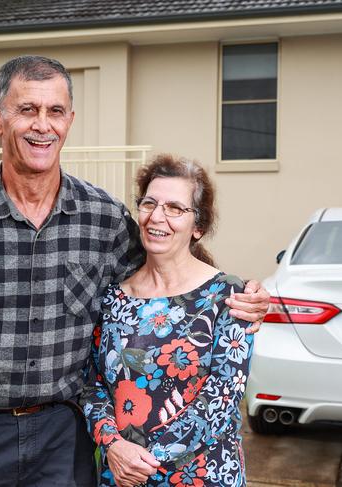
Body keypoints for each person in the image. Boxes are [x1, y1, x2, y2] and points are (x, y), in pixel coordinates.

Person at [0, 56, 270, 487]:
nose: (42, 125)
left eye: (55, 111)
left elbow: (165, 272)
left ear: (70, 120)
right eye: (27, 109)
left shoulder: (104, 219)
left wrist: (237, 294)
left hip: (62, 437)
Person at [80, 154, 253, 487]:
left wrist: (145, 459)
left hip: (203, 475)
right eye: (149, 203)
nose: (157, 217)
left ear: (198, 227)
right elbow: (93, 385)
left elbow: (223, 395)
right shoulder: (115, 297)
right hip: (121, 473)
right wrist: (113, 445)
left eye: (175, 208)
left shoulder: (226, 295)